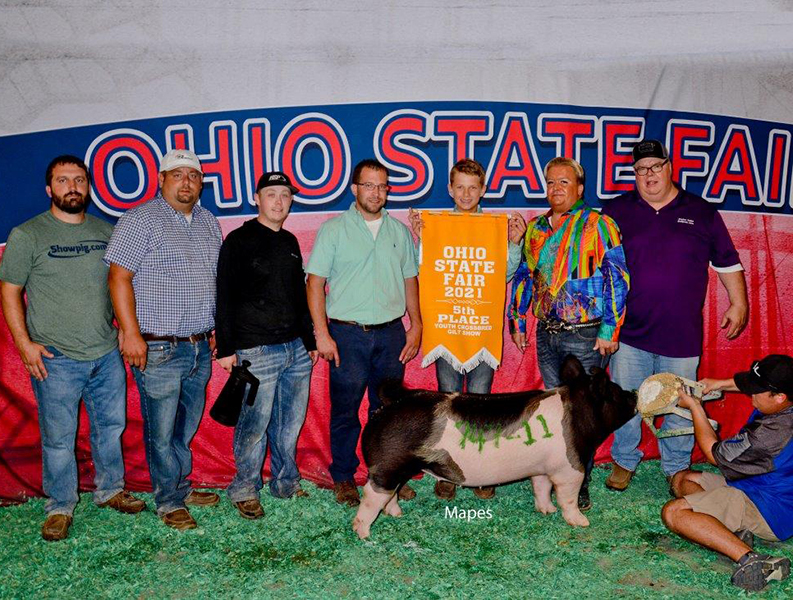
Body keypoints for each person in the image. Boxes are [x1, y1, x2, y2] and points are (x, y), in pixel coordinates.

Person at [0, 155, 145, 541]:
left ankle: (110, 489)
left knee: (111, 427)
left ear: (89, 187)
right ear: (49, 189)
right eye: (63, 180)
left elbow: (120, 283)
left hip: (105, 353)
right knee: (59, 438)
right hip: (55, 358)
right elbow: (9, 291)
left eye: (79, 180)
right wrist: (24, 345)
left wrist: (123, 329)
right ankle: (60, 505)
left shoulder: (107, 231)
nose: (72, 187)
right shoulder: (27, 234)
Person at [602, 140, 748, 492]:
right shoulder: (615, 211)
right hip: (629, 333)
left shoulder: (701, 211)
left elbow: (727, 261)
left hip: (681, 335)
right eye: (641, 169)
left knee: (681, 405)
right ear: (634, 174)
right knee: (626, 400)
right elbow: (595, 263)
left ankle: (676, 467)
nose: (649, 174)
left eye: (656, 166)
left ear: (669, 167)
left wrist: (738, 303)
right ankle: (623, 459)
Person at [105, 149, 223, 530]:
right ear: (161, 179)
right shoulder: (140, 219)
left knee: (184, 426)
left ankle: (181, 487)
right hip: (157, 346)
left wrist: (216, 330)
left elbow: (214, 280)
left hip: (199, 344)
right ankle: (168, 500)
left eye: (193, 175)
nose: (186, 181)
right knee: (161, 429)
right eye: (177, 174)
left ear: (201, 183)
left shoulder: (208, 221)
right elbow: (118, 277)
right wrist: (130, 332)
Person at [509, 156, 630, 510]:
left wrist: (610, 328)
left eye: (564, 182)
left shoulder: (600, 225)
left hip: (587, 335)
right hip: (547, 334)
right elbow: (524, 276)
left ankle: (580, 484)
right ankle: (554, 474)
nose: (556, 188)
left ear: (579, 187)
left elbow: (617, 277)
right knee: (554, 414)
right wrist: (518, 320)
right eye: (550, 182)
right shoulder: (536, 228)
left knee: (582, 415)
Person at [408, 157, 527, 500]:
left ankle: (480, 473)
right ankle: (447, 472)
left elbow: (504, 275)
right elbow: (424, 270)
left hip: (481, 330)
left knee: (480, 404)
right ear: (450, 189)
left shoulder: (494, 228)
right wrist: (420, 238)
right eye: (459, 187)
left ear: (483, 190)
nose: (465, 193)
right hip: (447, 328)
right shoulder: (435, 226)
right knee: (448, 402)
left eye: (473, 188)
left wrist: (514, 244)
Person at [306, 158, 422, 507]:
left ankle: (384, 475)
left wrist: (416, 324)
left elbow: (410, 280)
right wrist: (322, 333)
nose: (376, 192)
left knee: (387, 411)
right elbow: (314, 284)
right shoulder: (333, 230)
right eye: (369, 185)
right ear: (354, 189)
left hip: (391, 334)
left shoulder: (399, 232)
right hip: (347, 335)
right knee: (346, 410)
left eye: (382, 186)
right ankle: (343, 476)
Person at [215, 171, 318, 520]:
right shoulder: (238, 241)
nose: (279, 201)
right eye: (271, 194)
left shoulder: (289, 241)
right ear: (257, 199)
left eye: (285, 195)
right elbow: (224, 295)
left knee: (290, 422)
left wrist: (309, 341)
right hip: (255, 350)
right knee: (254, 424)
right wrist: (226, 348)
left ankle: (286, 481)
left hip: (295, 350)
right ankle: (245, 488)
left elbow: (299, 295)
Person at [661, 354, 792, 592]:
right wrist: (720, 384)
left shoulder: (769, 436)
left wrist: (695, 407)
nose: (751, 395)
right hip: (762, 486)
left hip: (771, 509)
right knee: (682, 479)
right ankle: (732, 534)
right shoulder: (786, 401)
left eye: (756, 391)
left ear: (780, 396)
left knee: (673, 513)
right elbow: (760, 387)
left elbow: (713, 453)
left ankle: (755, 561)